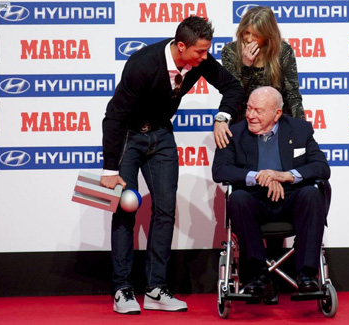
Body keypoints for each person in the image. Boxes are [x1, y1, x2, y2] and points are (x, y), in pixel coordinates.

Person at [100, 16, 243, 315]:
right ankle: (122, 289)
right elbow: (113, 116)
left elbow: (233, 88)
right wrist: (109, 169)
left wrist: (223, 116)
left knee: (165, 208)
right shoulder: (142, 64)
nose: (205, 58)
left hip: (162, 135)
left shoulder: (198, 60)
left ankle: (155, 289)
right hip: (128, 134)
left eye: (207, 52)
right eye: (200, 52)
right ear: (181, 46)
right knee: (125, 208)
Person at [212, 86, 330, 300]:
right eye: (249, 108)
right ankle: (257, 275)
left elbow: (322, 167)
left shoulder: (299, 129)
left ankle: (306, 275)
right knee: (237, 198)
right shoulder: (235, 133)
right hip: (254, 202)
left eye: (258, 110)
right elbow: (220, 170)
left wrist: (284, 175)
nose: (250, 115)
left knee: (312, 194)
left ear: (277, 114)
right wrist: (259, 176)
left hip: (292, 199)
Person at [220, 6, 304, 124]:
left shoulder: (282, 51)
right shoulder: (230, 51)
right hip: (244, 121)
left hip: (277, 121)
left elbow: (292, 94)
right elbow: (235, 95)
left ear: (267, 35)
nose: (249, 39)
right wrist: (246, 67)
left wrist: (301, 128)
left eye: (256, 35)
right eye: (246, 33)